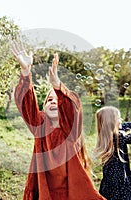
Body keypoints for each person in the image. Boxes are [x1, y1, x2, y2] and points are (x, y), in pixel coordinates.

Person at [11, 41, 105, 200]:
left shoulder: (70, 130)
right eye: (48, 100)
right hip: (46, 192)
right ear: (43, 109)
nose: (53, 102)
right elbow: (26, 104)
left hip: (72, 192)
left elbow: (72, 107)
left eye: (56, 99)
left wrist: (57, 86)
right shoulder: (40, 127)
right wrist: (26, 71)